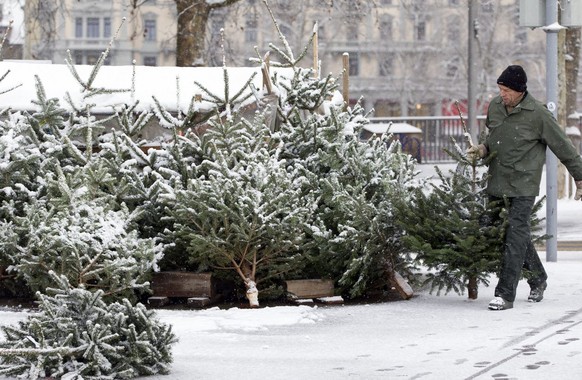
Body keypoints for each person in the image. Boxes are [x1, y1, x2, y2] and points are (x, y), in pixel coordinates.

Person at [467, 65, 582, 311]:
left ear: (520, 91)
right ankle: (538, 277)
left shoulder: (538, 114)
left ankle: (504, 294)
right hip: (497, 181)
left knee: (516, 235)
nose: (502, 94)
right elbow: (493, 137)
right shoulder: (496, 107)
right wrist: (482, 149)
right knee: (506, 234)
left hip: (523, 185)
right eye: (500, 89)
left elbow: (564, 147)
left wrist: (579, 177)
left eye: (507, 90)